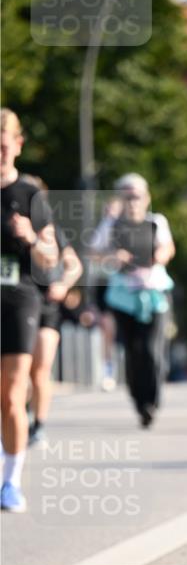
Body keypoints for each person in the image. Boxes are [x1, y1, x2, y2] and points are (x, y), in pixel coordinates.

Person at [1, 109, 59, 511]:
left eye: (6, 141)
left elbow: (50, 255)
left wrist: (30, 238)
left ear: (18, 145)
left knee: (11, 393)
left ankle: (11, 480)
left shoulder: (29, 194)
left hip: (17, 296)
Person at [90, 173, 175, 427]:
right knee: (132, 350)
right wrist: (114, 256)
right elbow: (94, 253)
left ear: (146, 198)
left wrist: (157, 256)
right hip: (123, 296)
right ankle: (140, 403)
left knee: (151, 349)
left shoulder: (156, 221)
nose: (132, 201)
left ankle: (153, 397)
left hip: (154, 293)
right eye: (127, 196)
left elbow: (168, 248)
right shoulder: (111, 224)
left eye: (137, 195)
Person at [19, 176, 84, 446]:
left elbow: (74, 265)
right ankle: (18, 416)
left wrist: (63, 284)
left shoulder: (51, 230)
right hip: (17, 303)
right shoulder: (9, 226)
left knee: (40, 369)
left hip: (47, 305)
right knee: (18, 371)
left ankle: (39, 425)